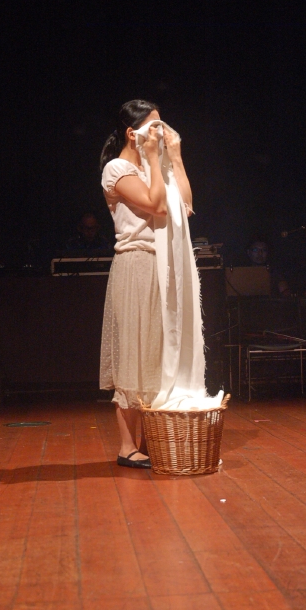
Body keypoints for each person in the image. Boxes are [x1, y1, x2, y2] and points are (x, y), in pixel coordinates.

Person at [99, 99, 193, 469]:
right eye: (153, 126)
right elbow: (157, 206)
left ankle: (150, 441)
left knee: (157, 353)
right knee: (133, 354)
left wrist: (176, 158)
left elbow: (185, 206)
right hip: (137, 264)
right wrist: (155, 160)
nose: (160, 132)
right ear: (131, 133)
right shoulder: (117, 169)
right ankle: (127, 447)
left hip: (164, 263)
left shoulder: (155, 168)